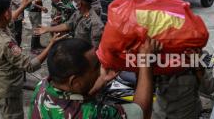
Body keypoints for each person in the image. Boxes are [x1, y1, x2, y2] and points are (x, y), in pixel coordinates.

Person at [29, 37, 160, 119]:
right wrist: (145, 63)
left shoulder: (43, 85)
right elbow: (141, 112)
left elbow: (75, 98)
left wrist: (100, 81)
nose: (101, 69)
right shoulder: (90, 114)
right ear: (75, 82)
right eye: (96, 67)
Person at [0, 0, 64, 119]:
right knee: (13, 115)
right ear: (5, 14)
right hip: (7, 90)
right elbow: (30, 66)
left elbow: (10, 20)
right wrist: (51, 44)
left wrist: (23, 6)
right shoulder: (5, 44)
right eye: (10, 9)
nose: (12, 11)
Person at [152, 50, 214, 119]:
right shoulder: (160, 53)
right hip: (160, 114)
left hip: (188, 114)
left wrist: (198, 66)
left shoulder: (201, 55)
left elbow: (209, 89)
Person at [35, 0, 104, 47]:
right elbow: (68, 25)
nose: (73, 2)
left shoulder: (95, 23)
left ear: (80, 2)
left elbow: (95, 49)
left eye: (75, 0)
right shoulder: (78, 13)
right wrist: (48, 29)